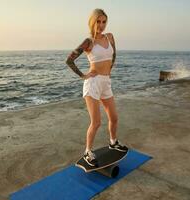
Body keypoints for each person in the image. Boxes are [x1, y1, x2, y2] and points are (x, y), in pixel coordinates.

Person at [66, 8, 128, 167]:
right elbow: (69, 60)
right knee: (96, 122)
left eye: (104, 22)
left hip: (106, 82)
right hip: (92, 84)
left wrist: (109, 70)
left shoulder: (110, 37)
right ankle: (88, 152)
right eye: (98, 22)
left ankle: (113, 142)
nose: (101, 25)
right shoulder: (89, 42)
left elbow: (113, 55)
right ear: (92, 23)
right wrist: (83, 75)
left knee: (114, 117)